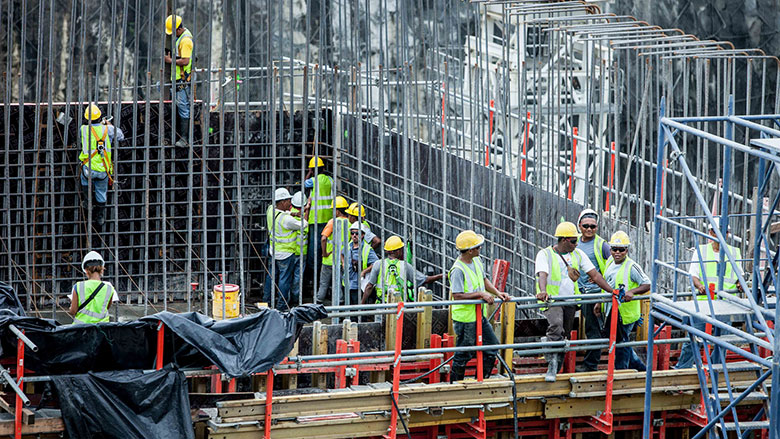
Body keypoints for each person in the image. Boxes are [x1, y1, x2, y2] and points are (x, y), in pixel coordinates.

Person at [535, 221, 612, 382]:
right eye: (573, 241)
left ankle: (557, 367)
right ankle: (552, 367)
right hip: (552, 300)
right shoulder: (545, 254)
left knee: (564, 335)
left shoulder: (577, 254)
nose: (577, 243)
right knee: (556, 325)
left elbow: (595, 275)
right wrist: (543, 291)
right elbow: (542, 274)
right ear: (563, 240)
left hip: (570, 301)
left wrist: (612, 291)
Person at [674, 217, 742, 369]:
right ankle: (683, 368)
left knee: (722, 341)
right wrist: (699, 286)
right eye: (718, 232)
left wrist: (740, 284)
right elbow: (693, 275)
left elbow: (740, 276)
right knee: (695, 338)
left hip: (726, 304)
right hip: (704, 303)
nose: (723, 235)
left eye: (725, 232)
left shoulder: (734, 252)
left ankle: (715, 369)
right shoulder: (702, 251)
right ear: (711, 232)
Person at [448, 230, 511, 382]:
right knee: (464, 353)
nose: (480, 249)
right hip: (465, 319)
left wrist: (497, 293)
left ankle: (481, 381)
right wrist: (481, 295)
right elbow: (457, 295)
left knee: (491, 346)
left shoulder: (476, 261)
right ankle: (455, 386)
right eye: (478, 247)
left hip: (478, 316)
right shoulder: (458, 270)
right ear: (470, 250)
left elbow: (484, 280)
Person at [594, 231, 650, 370]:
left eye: (621, 250)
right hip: (611, 311)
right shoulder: (609, 262)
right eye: (614, 249)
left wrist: (632, 292)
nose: (617, 252)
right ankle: (641, 368)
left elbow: (647, 284)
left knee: (621, 344)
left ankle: (622, 372)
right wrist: (600, 302)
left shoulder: (632, 267)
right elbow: (608, 283)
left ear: (627, 250)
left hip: (626, 314)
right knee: (620, 341)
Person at [576, 208, 611, 372]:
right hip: (578, 292)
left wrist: (599, 276)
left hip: (595, 293)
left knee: (593, 329)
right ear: (579, 226)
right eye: (586, 226)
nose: (589, 229)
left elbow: (614, 266)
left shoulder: (601, 245)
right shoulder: (573, 242)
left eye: (593, 226)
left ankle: (590, 366)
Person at [362, 236, 442, 305]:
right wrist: (440, 276)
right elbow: (424, 279)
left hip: (381, 305)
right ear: (397, 251)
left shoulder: (378, 264)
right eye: (401, 249)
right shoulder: (404, 266)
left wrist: (362, 304)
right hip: (399, 307)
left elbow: (369, 286)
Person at [79, 104, 124, 228]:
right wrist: (108, 125)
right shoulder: (107, 130)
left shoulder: (83, 129)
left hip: (88, 168)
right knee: (101, 192)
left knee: (84, 180)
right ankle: (100, 217)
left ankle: (87, 202)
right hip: (103, 170)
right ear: (100, 117)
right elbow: (120, 136)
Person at [264, 188, 308, 311]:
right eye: (288, 200)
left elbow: (283, 213)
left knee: (271, 277)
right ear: (282, 202)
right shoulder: (287, 220)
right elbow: (304, 224)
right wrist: (304, 213)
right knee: (284, 280)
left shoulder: (270, 210)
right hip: (286, 254)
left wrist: (293, 213)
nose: (290, 203)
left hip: (273, 251)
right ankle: (281, 306)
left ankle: (266, 301)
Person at [163, 14, 194, 148]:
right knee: (161, 88)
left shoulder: (185, 40)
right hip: (176, 79)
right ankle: (174, 134)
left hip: (182, 80)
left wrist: (170, 61)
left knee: (183, 108)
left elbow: (186, 60)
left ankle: (185, 139)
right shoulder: (181, 37)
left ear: (178, 29)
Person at [317, 196, 350, 305]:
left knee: (324, 284)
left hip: (328, 260)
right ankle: (340, 307)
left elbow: (323, 238)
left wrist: (324, 253)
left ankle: (317, 304)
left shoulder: (332, 222)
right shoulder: (350, 224)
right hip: (341, 261)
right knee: (339, 284)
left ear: (337, 210)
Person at [69, 251, 118, 324]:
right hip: (101, 330)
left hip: (81, 330)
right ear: (102, 269)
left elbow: (73, 311)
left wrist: (70, 308)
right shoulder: (109, 288)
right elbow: (105, 307)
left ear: (86, 270)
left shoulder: (78, 286)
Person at [305, 157, 334, 271]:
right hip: (329, 218)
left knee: (314, 248)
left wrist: (309, 172)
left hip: (316, 219)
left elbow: (304, 184)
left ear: (313, 170)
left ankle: (313, 271)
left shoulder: (313, 180)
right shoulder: (331, 180)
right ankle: (324, 267)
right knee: (327, 244)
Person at [347, 222, 379, 305]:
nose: (354, 235)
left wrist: (364, 271)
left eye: (357, 233)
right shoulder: (348, 246)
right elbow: (341, 253)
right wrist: (343, 263)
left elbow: (376, 264)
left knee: (358, 309)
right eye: (352, 233)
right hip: (347, 283)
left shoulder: (367, 249)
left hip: (359, 285)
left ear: (362, 235)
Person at [289, 191, 310, 304]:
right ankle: (295, 300)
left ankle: (286, 299)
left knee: (287, 277)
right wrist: (307, 210)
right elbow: (305, 226)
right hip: (301, 252)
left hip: (290, 251)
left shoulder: (288, 213)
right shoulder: (303, 218)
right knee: (297, 278)